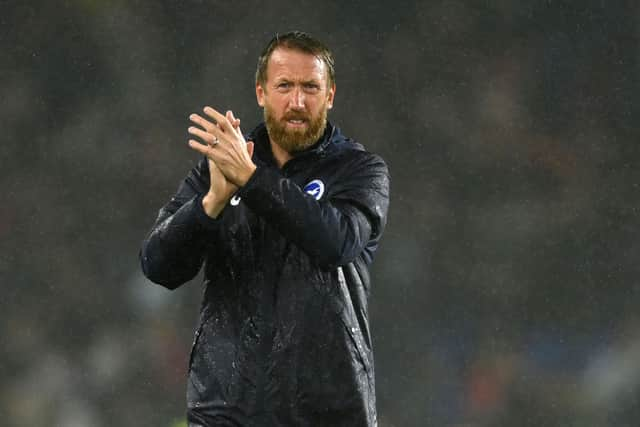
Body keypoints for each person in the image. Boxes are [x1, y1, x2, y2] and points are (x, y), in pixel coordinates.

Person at [140, 31, 390, 427]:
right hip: (226, 409)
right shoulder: (219, 166)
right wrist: (211, 204)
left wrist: (252, 180)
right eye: (284, 86)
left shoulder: (360, 171)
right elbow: (157, 265)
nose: (297, 101)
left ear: (330, 95)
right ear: (261, 92)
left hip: (326, 411)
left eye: (310, 87)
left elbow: (335, 243)